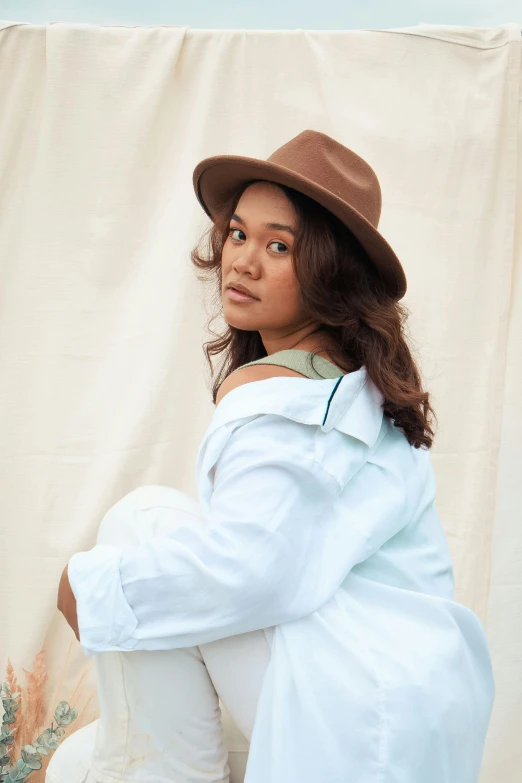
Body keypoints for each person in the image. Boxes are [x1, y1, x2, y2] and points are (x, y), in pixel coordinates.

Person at [51, 129, 495, 783]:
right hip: (417, 708)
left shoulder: (278, 390)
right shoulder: (357, 385)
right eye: (238, 233)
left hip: (353, 714)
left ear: (331, 271)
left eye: (279, 245)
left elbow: (254, 570)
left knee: (140, 523)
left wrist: (89, 590)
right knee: (84, 755)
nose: (244, 261)